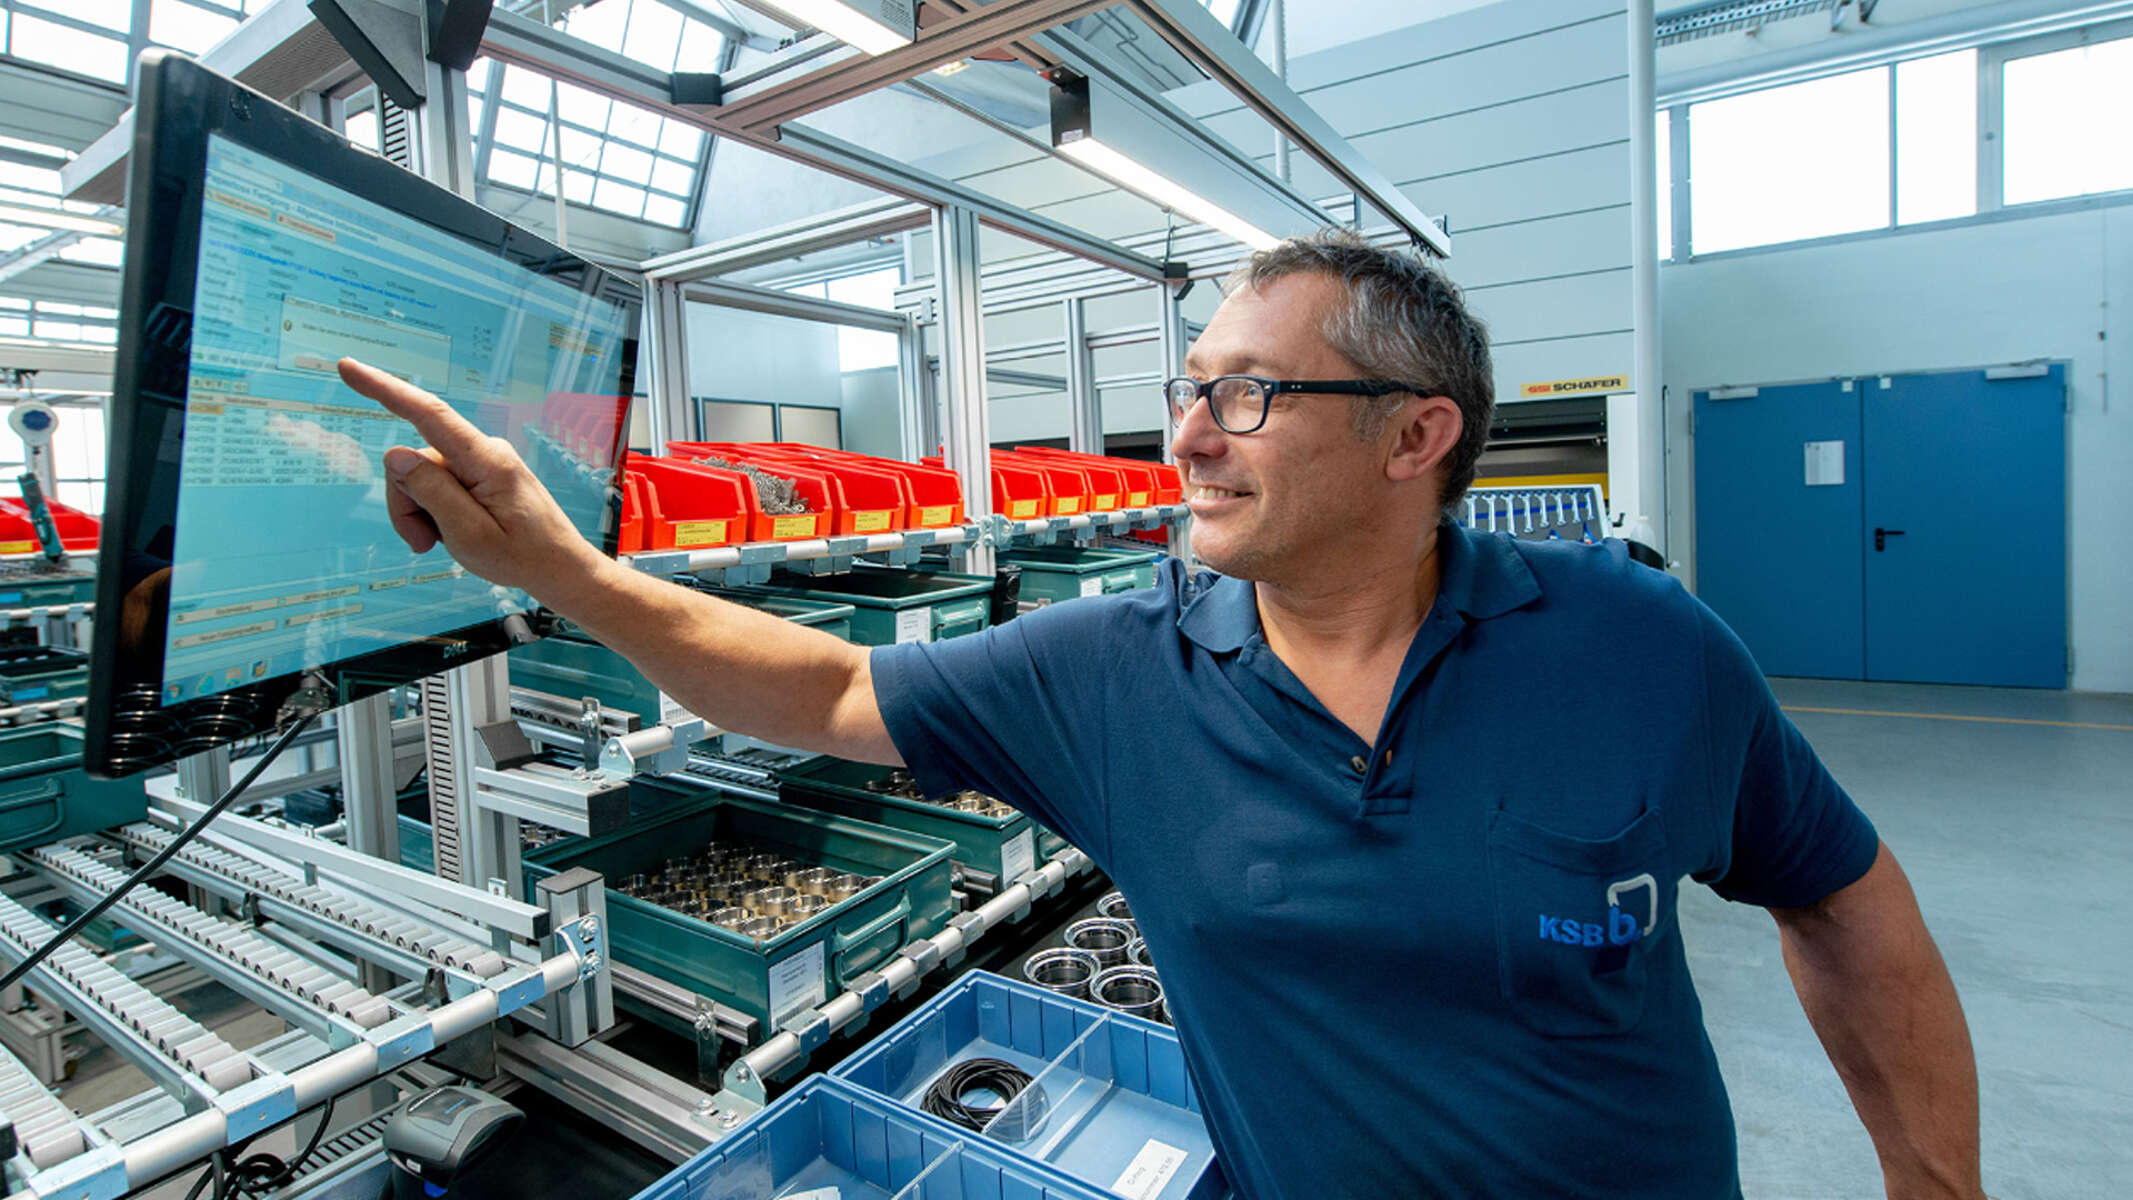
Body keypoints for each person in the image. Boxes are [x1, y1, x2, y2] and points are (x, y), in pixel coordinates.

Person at [338, 229, 1983, 1200]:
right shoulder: (1113, 674)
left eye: (1247, 394)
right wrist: (564, 567)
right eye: (1189, 388)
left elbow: (1844, 898)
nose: (1185, 436)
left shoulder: (1640, 645)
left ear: (1417, 440)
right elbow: (826, 681)